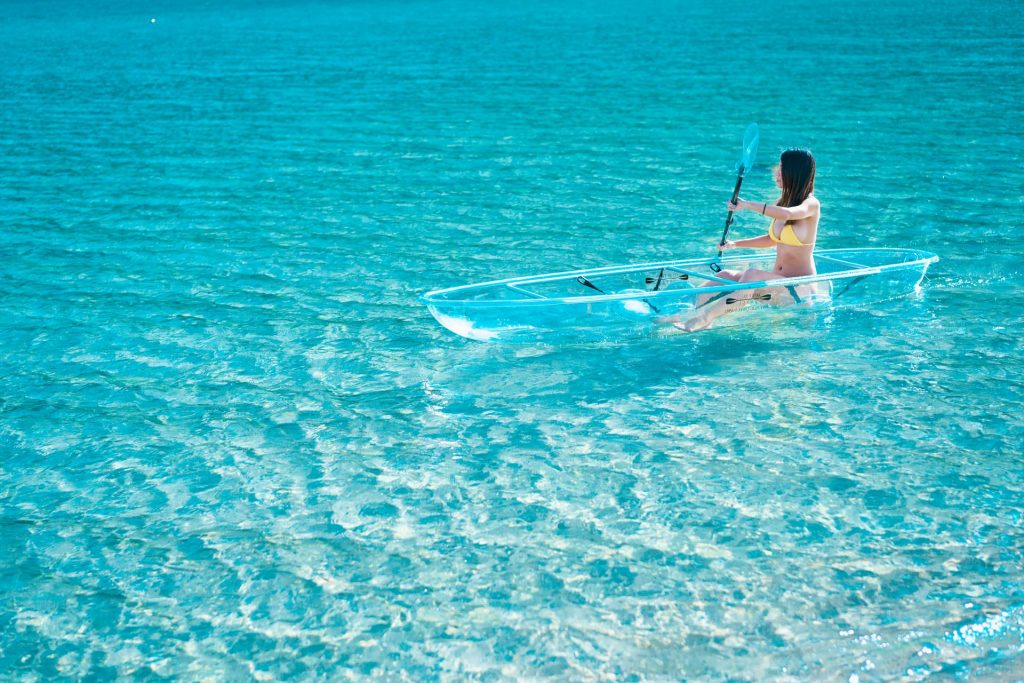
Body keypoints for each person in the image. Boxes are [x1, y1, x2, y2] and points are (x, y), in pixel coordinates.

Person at [676, 148, 825, 331]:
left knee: (752, 274)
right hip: (777, 283)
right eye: (777, 167)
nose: (776, 172)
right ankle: (684, 313)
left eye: (781, 168)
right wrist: (735, 244)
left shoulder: (811, 205)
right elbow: (773, 238)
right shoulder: (782, 201)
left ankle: (705, 319)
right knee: (724, 276)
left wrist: (747, 205)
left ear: (795, 172)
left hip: (799, 291)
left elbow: (788, 214)